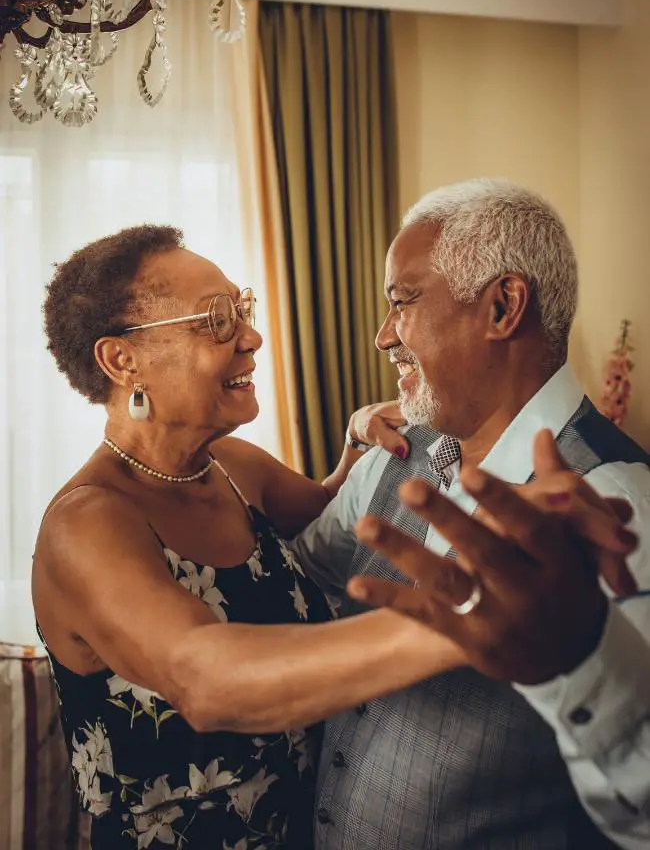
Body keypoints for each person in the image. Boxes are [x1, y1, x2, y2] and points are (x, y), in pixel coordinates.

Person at [32, 225, 470, 850]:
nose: (252, 335)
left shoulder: (235, 467)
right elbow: (206, 682)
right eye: (214, 319)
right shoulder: (86, 525)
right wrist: (465, 619)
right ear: (122, 360)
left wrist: (356, 441)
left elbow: (331, 517)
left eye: (240, 308)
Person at [292, 179, 650, 850]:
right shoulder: (389, 456)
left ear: (503, 306)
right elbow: (294, 578)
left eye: (402, 302)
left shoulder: (619, 505)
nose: (381, 337)